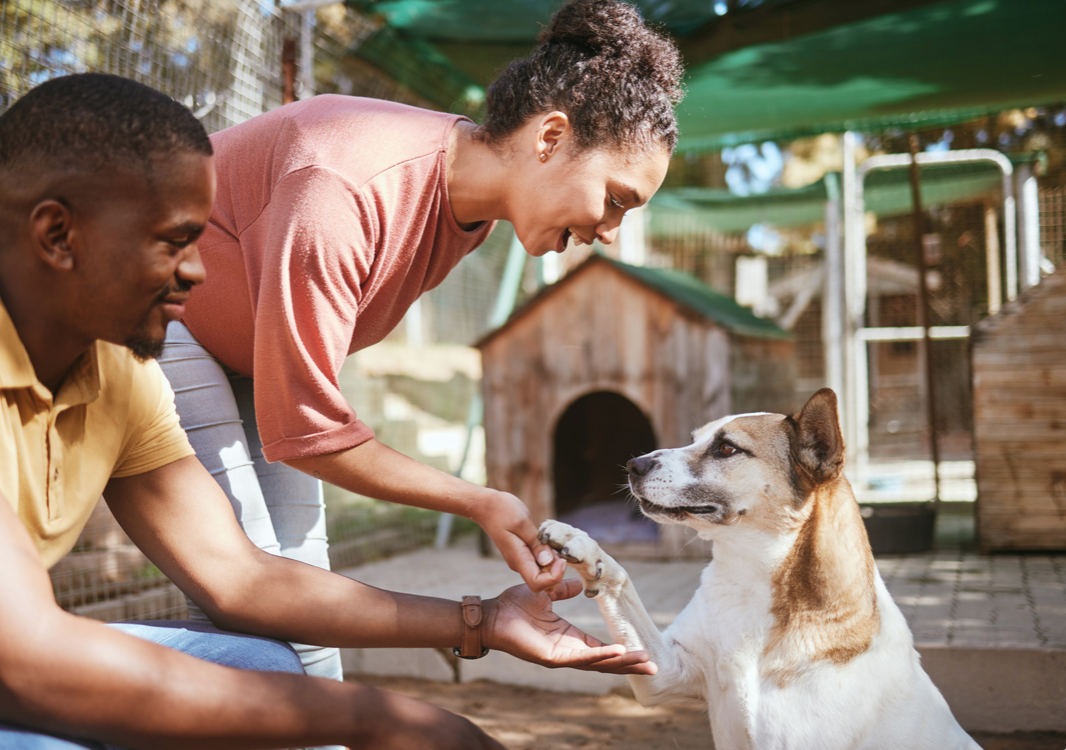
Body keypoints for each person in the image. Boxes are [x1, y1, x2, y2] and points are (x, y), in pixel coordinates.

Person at [0, 72, 655, 750]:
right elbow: (24, 663)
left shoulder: (116, 374)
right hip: (19, 662)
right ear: (56, 235)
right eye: (175, 242)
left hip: (239, 370)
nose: (198, 273)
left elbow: (240, 577)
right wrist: (375, 721)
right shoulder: (341, 185)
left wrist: (482, 622)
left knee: (267, 659)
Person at [163, 0, 686, 682]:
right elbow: (304, 429)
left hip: (249, 364)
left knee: (301, 589)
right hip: (165, 326)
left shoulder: (472, 211)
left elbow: (297, 415)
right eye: (615, 198)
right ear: (551, 138)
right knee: (252, 597)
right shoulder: (343, 187)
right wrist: (478, 500)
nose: (611, 230)